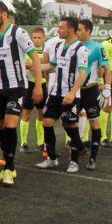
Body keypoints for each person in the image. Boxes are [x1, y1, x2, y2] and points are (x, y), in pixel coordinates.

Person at [0, 1, 43, 186]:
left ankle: (10, 169)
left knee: (11, 125)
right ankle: (8, 166)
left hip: (17, 87)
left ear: (4, 15)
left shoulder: (18, 32)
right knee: (1, 126)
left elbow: (35, 57)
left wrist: (38, 86)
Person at [35, 17, 89, 173]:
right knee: (47, 123)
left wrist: (72, 93)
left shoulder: (81, 49)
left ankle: (74, 161)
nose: (58, 30)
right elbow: (51, 66)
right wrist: (34, 66)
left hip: (70, 95)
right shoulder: (58, 46)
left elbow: (83, 73)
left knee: (70, 127)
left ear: (71, 30)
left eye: (61, 27)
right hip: (55, 93)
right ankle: (51, 159)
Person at [75, 19, 112, 170]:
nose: (77, 32)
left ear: (88, 30)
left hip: (90, 91)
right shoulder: (73, 46)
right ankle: (80, 147)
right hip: (74, 91)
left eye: (80, 29)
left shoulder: (97, 47)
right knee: (68, 121)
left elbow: (107, 68)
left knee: (94, 123)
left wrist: (107, 88)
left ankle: (93, 158)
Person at [20, 27, 48, 153]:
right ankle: (23, 143)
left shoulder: (47, 51)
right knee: (26, 113)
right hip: (29, 85)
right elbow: (26, 64)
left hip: (43, 84)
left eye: (39, 37)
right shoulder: (28, 50)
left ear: (44, 38)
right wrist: (41, 65)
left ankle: (40, 142)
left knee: (41, 114)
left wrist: (36, 65)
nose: (36, 40)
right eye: (34, 38)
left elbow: (50, 65)